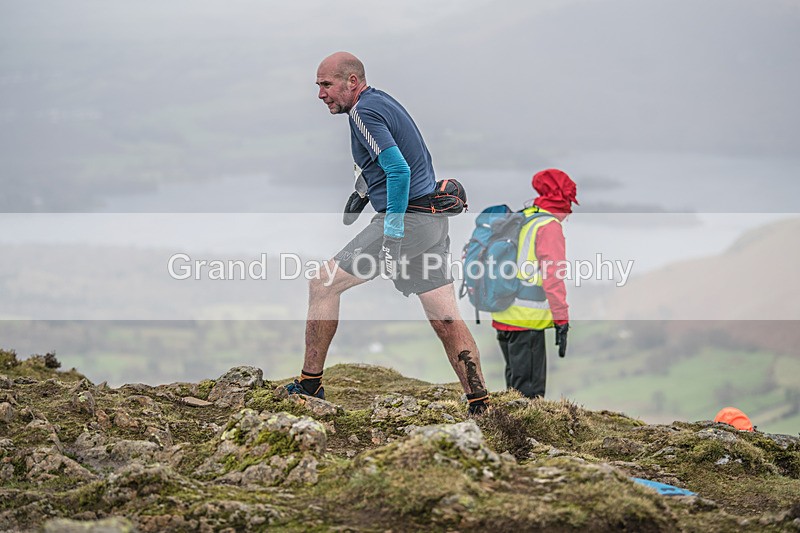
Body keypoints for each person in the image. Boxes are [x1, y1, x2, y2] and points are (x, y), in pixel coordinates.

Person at [284, 51, 490, 415]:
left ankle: (309, 384)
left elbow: (398, 170)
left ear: (352, 81)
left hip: (406, 221)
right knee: (444, 317)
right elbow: (396, 159)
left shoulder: (363, 112)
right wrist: (362, 194)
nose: (320, 94)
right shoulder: (381, 102)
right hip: (431, 222)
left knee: (323, 284)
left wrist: (392, 228)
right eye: (318, 86)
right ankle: (479, 402)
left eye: (326, 85)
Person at [491, 169, 578, 398]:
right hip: (526, 320)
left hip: (503, 312)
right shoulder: (548, 226)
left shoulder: (526, 216)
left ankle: (508, 430)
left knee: (514, 388)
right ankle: (523, 434)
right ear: (564, 199)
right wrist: (561, 319)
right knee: (529, 394)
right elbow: (553, 277)